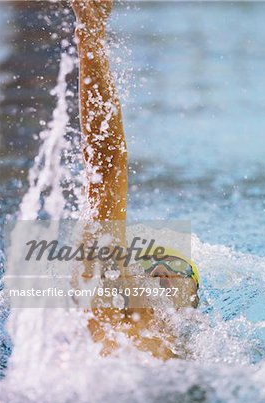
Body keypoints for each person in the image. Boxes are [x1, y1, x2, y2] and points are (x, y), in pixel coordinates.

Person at [71, 0, 199, 359]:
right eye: (156, 264)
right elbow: (105, 164)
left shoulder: (190, 356)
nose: (161, 269)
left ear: (191, 303)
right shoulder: (106, 309)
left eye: (178, 268)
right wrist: (89, 34)